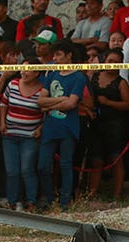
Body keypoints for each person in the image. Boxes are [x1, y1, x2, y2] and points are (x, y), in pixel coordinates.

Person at [36, 40, 88, 209]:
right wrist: (59, 100)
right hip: (50, 127)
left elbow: (71, 104)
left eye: (58, 55)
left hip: (68, 127)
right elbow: (40, 100)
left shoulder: (79, 76)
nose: (55, 59)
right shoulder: (51, 74)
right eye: (54, 55)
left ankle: (65, 201)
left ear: (69, 55)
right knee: (43, 165)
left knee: (66, 164)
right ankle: (51, 199)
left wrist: (48, 107)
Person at [85, 48, 129, 198]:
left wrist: (109, 102)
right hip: (95, 123)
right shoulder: (93, 76)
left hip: (115, 124)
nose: (112, 64)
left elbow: (128, 105)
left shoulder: (121, 83)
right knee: (96, 159)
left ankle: (117, 195)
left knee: (116, 158)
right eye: (110, 61)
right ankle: (92, 192)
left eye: (117, 62)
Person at [0, 68, 45, 210]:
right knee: (12, 171)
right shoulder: (13, 84)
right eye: (22, 70)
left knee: (27, 169)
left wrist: (40, 129)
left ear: (37, 73)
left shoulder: (43, 90)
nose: (23, 73)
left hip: (30, 136)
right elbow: (3, 103)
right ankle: (12, 202)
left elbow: (47, 111)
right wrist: (2, 122)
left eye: (28, 70)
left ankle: (31, 201)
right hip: (10, 134)